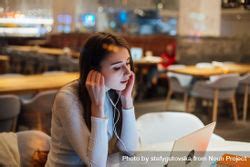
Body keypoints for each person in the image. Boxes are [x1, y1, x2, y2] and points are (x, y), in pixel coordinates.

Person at [45, 32, 138, 166]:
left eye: (128, 63)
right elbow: (96, 164)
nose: (128, 72)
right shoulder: (67, 99)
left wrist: (127, 100)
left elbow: (130, 150)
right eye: (117, 67)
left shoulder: (113, 92)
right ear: (94, 71)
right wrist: (97, 106)